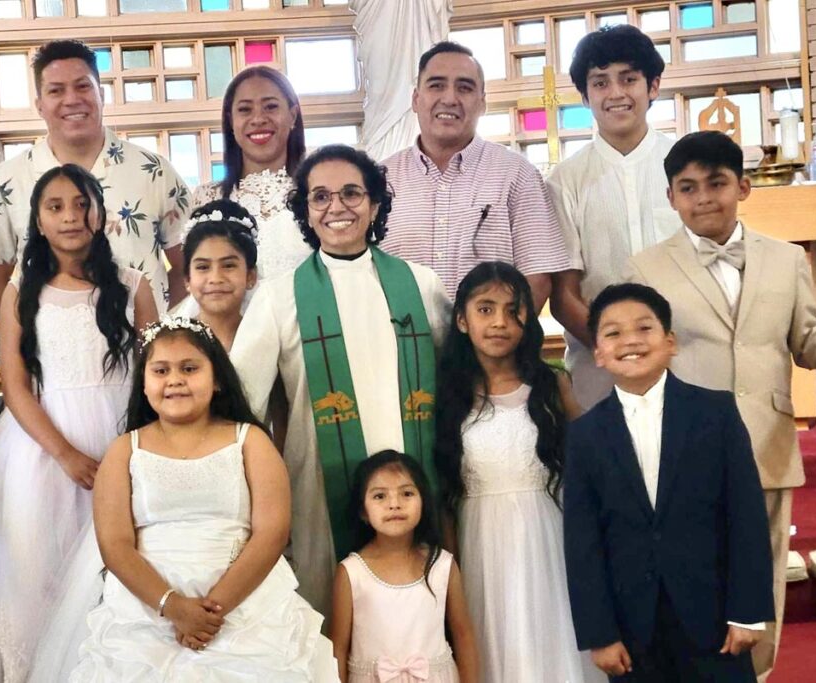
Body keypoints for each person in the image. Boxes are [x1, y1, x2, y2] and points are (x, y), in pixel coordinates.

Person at [28, 318, 339, 681]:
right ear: (144, 384)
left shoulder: (250, 441)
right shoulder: (124, 451)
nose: (175, 379)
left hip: (243, 599)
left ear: (217, 379)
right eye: (160, 370)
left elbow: (271, 532)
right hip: (149, 604)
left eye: (189, 368)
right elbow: (114, 544)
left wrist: (210, 612)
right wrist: (172, 606)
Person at [624, 130, 816, 681]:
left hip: (767, 439)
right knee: (695, 573)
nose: (703, 197)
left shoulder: (786, 261)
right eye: (688, 187)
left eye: (716, 183)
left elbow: (809, 340)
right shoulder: (646, 268)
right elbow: (639, 355)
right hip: (685, 450)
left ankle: (759, 674)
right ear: (670, 198)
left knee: (762, 578)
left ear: (744, 187)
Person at [230, 144, 451, 614]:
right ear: (306, 213)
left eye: (352, 193)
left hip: (415, 480)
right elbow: (239, 403)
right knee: (330, 620)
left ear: (374, 204)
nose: (337, 207)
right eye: (321, 197)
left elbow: (454, 379)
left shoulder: (422, 284)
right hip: (317, 484)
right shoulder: (279, 297)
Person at [0, 164, 157, 682]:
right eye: (55, 206)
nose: (71, 216)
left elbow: (154, 377)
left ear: (100, 212)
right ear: (39, 221)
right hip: (41, 452)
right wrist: (66, 454)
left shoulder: (133, 286)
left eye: (81, 203)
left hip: (122, 439)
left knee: (114, 579)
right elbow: (15, 388)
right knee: (40, 582)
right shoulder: (20, 292)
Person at [564, 283, 773, 682]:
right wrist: (599, 634)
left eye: (644, 328)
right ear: (599, 354)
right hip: (631, 627)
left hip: (713, 617)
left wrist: (748, 611)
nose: (630, 341)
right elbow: (582, 540)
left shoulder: (717, 414)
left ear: (670, 341)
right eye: (613, 333)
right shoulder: (585, 435)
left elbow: (746, 517)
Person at [434, 261, 602, 682]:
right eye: (485, 309)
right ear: (461, 319)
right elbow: (446, 497)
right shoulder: (449, 398)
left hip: (550, 539)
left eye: (514, 310)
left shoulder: (551, 386)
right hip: (481, 544)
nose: (500, 323)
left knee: (553, 641)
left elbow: (591, 467)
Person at [0, 39, 191, 313]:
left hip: (143, 351)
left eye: (82, 86)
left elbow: (191, 264)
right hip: (48, 354)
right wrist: (32, 327)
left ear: (101, 94)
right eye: (56, 90)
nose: (72, 99)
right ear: (39, 105)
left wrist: (157, 322)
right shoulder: (8, 180)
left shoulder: (153, 171)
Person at [547, 24, 680, 409]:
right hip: (599, 371)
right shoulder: (564, 181)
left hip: (684, 360)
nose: (616, 93)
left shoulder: (684, 168)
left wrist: (659, 348)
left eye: (629, 79)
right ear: (585, 96)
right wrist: (615, 348)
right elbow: (564, 294)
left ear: (652, 86)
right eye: (601, 82)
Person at [381, 41, 571, 309]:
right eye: (436, 85)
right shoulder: (380, 180)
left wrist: (497, 343)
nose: (449, 98)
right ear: (416, 99)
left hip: (489, 349)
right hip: (401, 348)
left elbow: (537, 277)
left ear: (482, 103)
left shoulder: (517, 174)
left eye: (465, 88)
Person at [330, 450, 479, 683]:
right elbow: (337, 648)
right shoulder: (351, 572)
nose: (394, 504)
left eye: (407, 493)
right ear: (362, 511)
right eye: (379, 496)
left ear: (423, 501)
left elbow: (463, 635)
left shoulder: (442, 565)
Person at [191, 65, 311, 282]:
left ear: (293, 116)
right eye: (245, 109)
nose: (258, 119)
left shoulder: (317, 193)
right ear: (230, 120)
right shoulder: (206, 197)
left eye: (271, 107)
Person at [181, 199, 259, 351]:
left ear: (250, 276)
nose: (216, 278)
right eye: (203, 267)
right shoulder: (173, 343)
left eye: (229, 265)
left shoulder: (266, 339)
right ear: (187, 279)